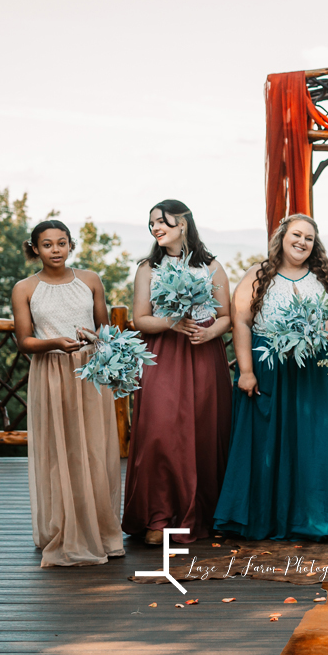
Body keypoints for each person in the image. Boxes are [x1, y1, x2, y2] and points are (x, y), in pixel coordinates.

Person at [214, 214, 328, 541]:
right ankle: (266, 517)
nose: (302, 242)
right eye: (296, 235)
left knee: (315, 444)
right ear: (282, 237)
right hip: (269, 370)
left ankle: (318, 517)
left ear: (314, 243)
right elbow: (242, 322)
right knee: (267, 445)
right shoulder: (257, 275)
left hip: (317, 373)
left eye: (308, 237)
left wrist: (327, 327)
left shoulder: (326, 275)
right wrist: (246, 371)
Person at [11, 220, 123, 567]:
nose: (55, 250)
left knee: (93, 449)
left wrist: (94, 340)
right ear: (35, 249)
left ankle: (102, 532)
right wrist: (54, 343)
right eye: (47, 244)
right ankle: (63, 528)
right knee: (60, 450)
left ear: (71, 245)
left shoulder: (90, 280)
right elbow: (24, 341)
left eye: (61, 243)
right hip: (51, 372)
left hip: (90, 372)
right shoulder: (24, 288)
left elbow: (106, 331)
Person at [121, 200, 232, 545]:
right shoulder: (147, 269)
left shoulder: (211, 266)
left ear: (182, 223)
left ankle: (204, 513)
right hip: (163, 354)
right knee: (160, 431)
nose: (156, 228)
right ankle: (159, 517)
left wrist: (210, 331)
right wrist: (172, 322)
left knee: (203, 432)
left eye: (162, 221)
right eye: (152, 223)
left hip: (203, 354)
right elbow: (140, 319)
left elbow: (226, 315)